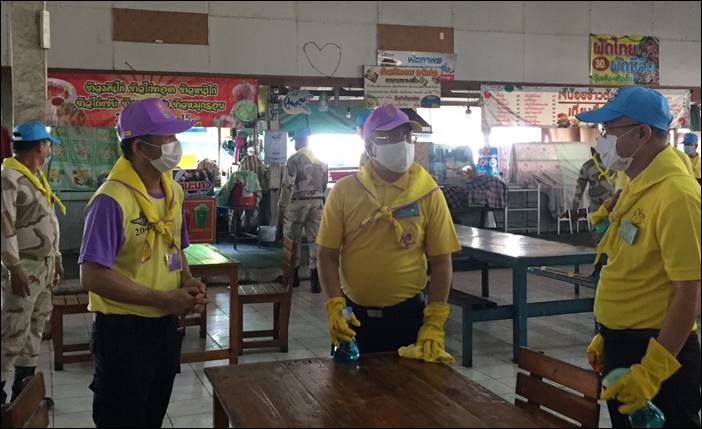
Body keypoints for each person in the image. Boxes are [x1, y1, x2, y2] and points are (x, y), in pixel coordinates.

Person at [78, 98, 208, 428]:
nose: (176, 146)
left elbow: (177, 249)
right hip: (124, 332)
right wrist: (164, 299)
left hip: (164, 329)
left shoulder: (174, 192)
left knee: (151, 415)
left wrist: (188, 284)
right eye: (168, 139)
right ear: (141, 146)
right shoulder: (111, 199)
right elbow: (92, 276)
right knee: (121, 419)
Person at [575, 86, 701, 428]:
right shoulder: (634, 182)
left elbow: (690, 295)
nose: (602, 140)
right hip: (625, 345)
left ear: (642, 133)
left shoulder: (676, 196)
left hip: (659, 353)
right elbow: (627, 261)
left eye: (609, 131)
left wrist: (652, 372)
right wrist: (610, 332)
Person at [316, 104, 460, 361]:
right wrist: (334, 306)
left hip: (408, 317)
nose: (402, 143)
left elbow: (441, 262)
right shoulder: (344, 191)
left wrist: (434, 321)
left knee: (411, 396)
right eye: (389, 137)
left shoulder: (428, 193)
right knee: (348, 396)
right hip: (354, 320)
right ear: (370, 147)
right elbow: (326, 255)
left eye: (406, 136)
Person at [1, 121, 65, 405]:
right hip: (24, 268)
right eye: (48, 143)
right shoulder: (9, 177)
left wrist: (58, 258)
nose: (49, 148)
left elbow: (48, 220)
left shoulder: (35, 175)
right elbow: (4, 228)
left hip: (44, 266)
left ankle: (22, 391)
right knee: (13, 329)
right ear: (40, 145)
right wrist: (14, 269)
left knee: (35, 328)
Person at [277, 127, 328, 293]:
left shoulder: (293, 160)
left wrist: (283, 207)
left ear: (298, 142)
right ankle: (315, 281)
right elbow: (323, 185)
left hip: (298, 204)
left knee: (292, 241)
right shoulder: (321, 162)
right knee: (315, 241)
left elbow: (287, 185)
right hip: (317, 204)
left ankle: (293, 279)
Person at [572, 147, 616, 215]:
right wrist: (574, 208)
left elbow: (579, 191)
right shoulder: (587, 166)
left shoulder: (616, 164)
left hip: (611, 203)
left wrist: (574, 208)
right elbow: (579, 189)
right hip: (601, 205)